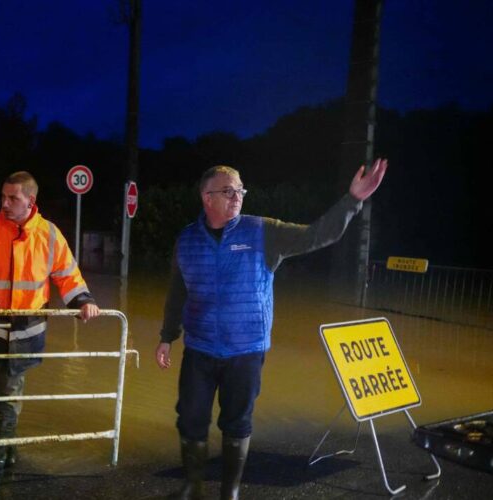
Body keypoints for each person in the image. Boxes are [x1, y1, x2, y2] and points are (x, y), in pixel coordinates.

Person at [155, 160, 387, 499]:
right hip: (200, 347)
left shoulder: (263, 231)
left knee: (237, 422)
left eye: (240, 191)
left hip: (246, 349)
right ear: (207, 197)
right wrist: (166, 337)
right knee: (190, 418)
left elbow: (318, 235)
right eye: (228, 190)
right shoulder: (187, 240)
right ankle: (192, 486)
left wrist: (353, 200)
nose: (237, 196)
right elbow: (178, 290)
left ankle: (230, 492)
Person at [0, 171, 99, 495]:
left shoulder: (49, 235)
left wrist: (84, 301)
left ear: (31, 201)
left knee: (9, 399)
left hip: (25, 332)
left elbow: (68, 277)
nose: (4, 203)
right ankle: (8, 438)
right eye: (3, 197)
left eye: (12, 198)